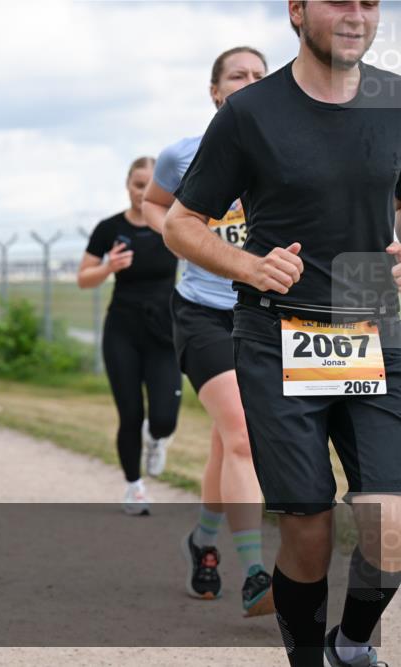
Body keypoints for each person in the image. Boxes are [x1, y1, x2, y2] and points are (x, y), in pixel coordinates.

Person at [164, 2, 401, 664]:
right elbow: (182, 223)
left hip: (373, 318)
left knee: (393, 524)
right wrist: (249, 265)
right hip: (279, 331)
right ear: (297, 10)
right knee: (309, 528)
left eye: (370, 2)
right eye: (339, 1)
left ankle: (352, 644)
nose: (357, 14)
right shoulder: (251, 114)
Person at [143, 46, 274, 616]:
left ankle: (202, 541)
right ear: (215, 91)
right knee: (243, 435)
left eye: (259, 76)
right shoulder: (184, 154)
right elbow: (156, 204)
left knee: (227, 442)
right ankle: (255, 574)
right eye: (237, 75)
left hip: (261, 312)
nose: (248, 82)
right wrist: (187, 242)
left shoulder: (282, 152)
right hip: (202, 310)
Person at [78, 157, 181, 517]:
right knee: (130, 413)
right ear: (128, 185)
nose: (143, 192)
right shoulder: (109, 228)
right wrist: (109, 267)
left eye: (151, 184)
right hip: (122, 329)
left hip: (164, 332)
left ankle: (157, 439)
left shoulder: (173, 224)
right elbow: (83, 277)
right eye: (138, 185)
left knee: (165, 417)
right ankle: (134, 487)